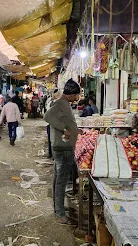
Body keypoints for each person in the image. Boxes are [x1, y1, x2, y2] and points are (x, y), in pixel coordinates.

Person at [44, 78, 80, 226]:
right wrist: (64, 129)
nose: (77, 98)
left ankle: (57, 208)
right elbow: (47, 117)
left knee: (58, 178)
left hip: (63, 147)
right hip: (62, 148)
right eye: (76, 95)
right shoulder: (60, 103)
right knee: (61, 181)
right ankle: (59, 214)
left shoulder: (63, 103)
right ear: (71, 94)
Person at [46, 89, 61, 159]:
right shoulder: (51, 102)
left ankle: (54, 155)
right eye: (57, 94)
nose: (58, 95)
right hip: (52, 124)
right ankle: (51, 154)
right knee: (52, 140)